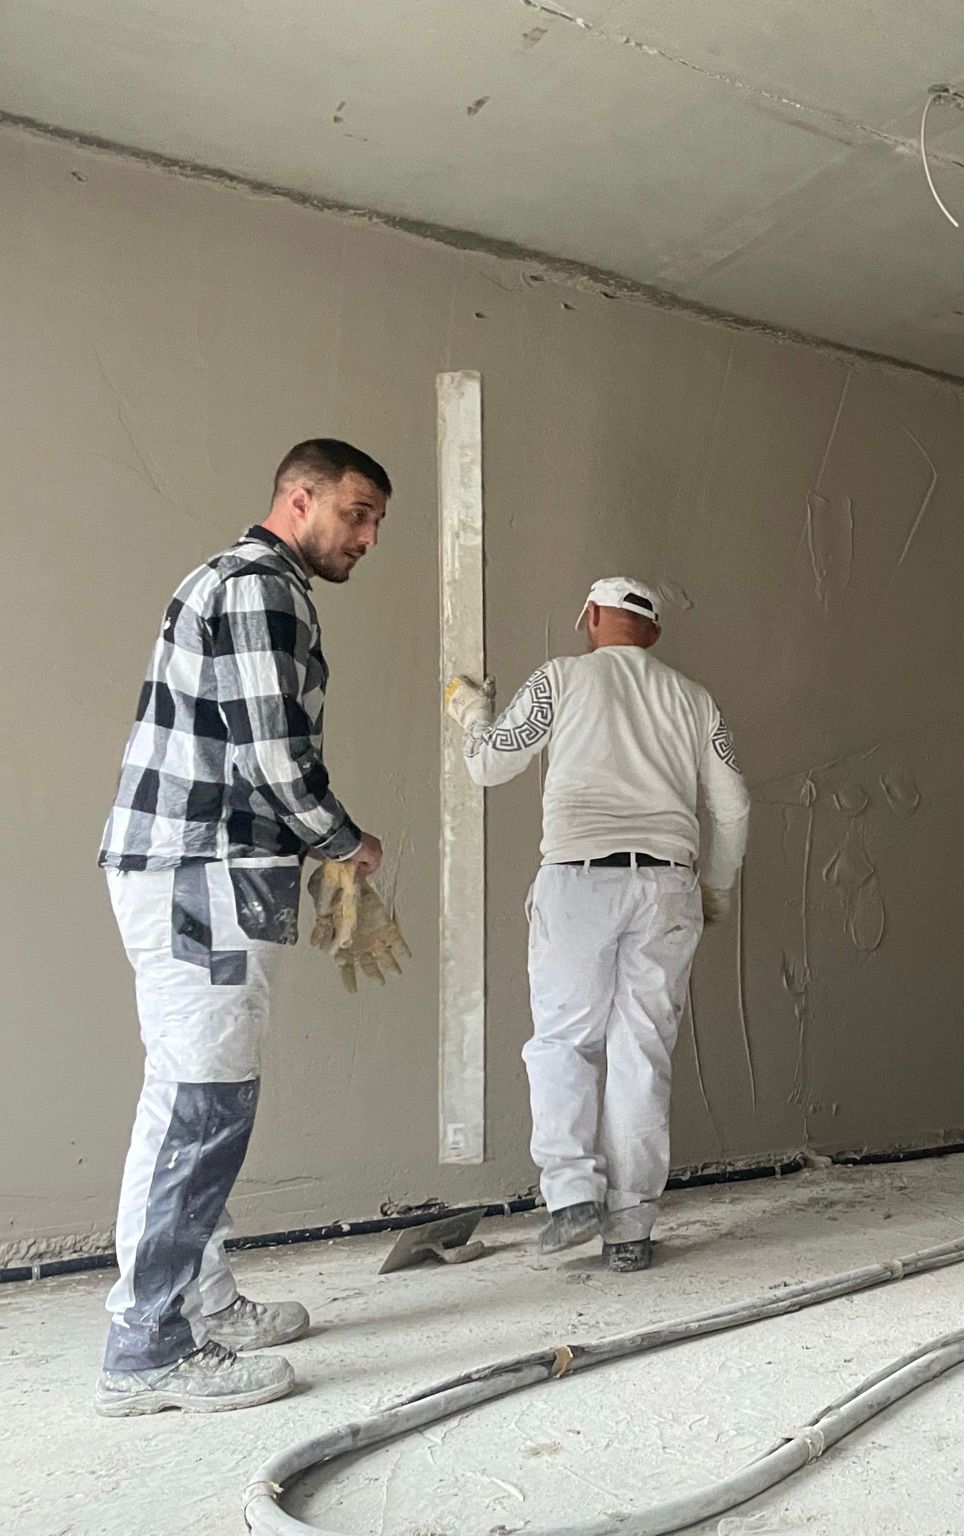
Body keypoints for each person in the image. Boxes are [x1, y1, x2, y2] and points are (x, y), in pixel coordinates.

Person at [94, 439, 391, 1416]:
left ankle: (201, 1299)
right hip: (203, 870)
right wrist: (345, 843)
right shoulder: (261, 588)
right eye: (355, 513)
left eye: (375, 521)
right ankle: (149, 1349)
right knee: (201, 1102)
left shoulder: (238, 582)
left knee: (196, 1093)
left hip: (209, 867)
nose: (366, 537)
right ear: (298, 499)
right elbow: (272, 756)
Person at [446, 577, 750, 1272]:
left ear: (589, 617)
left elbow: (490, 764)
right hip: (668, 886)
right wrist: (717, 887)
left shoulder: (561, 678)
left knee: (564, 1041)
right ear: (654, 633)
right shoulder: (694, 699)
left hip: (579, 881)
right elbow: (733, 805)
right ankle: (630, 1228)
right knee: (642, 1051)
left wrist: (471, 712)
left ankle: (572, 1195)